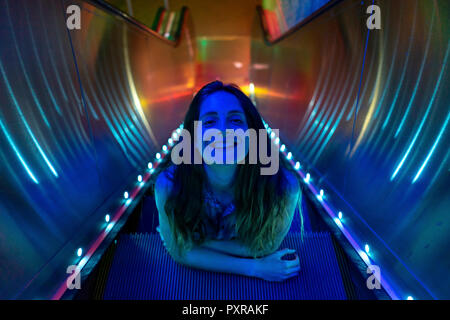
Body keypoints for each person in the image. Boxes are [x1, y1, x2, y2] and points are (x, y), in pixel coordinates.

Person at [150, 80, 303, 282]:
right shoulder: (169, 186)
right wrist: (255, 268)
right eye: (210, 122)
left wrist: (195, 243)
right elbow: (179, 253)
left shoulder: (284, 188)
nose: (222, 131)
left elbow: (267, 246)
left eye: (236, 121)